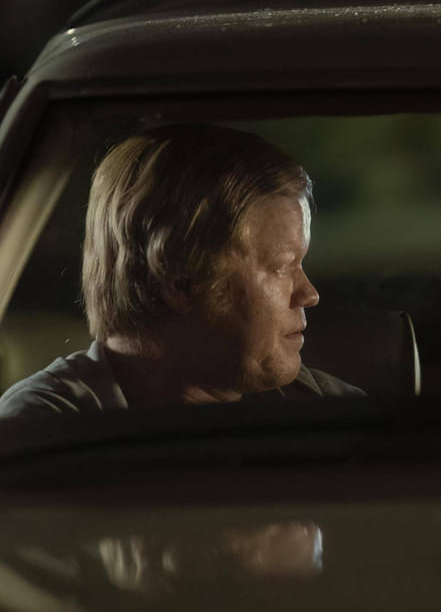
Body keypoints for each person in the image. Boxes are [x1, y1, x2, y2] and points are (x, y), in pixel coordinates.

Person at [0, 124, 363, 417]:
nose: (309, 294)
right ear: (179, 281)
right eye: (281, 267)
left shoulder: (330, 409)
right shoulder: (44, 433)